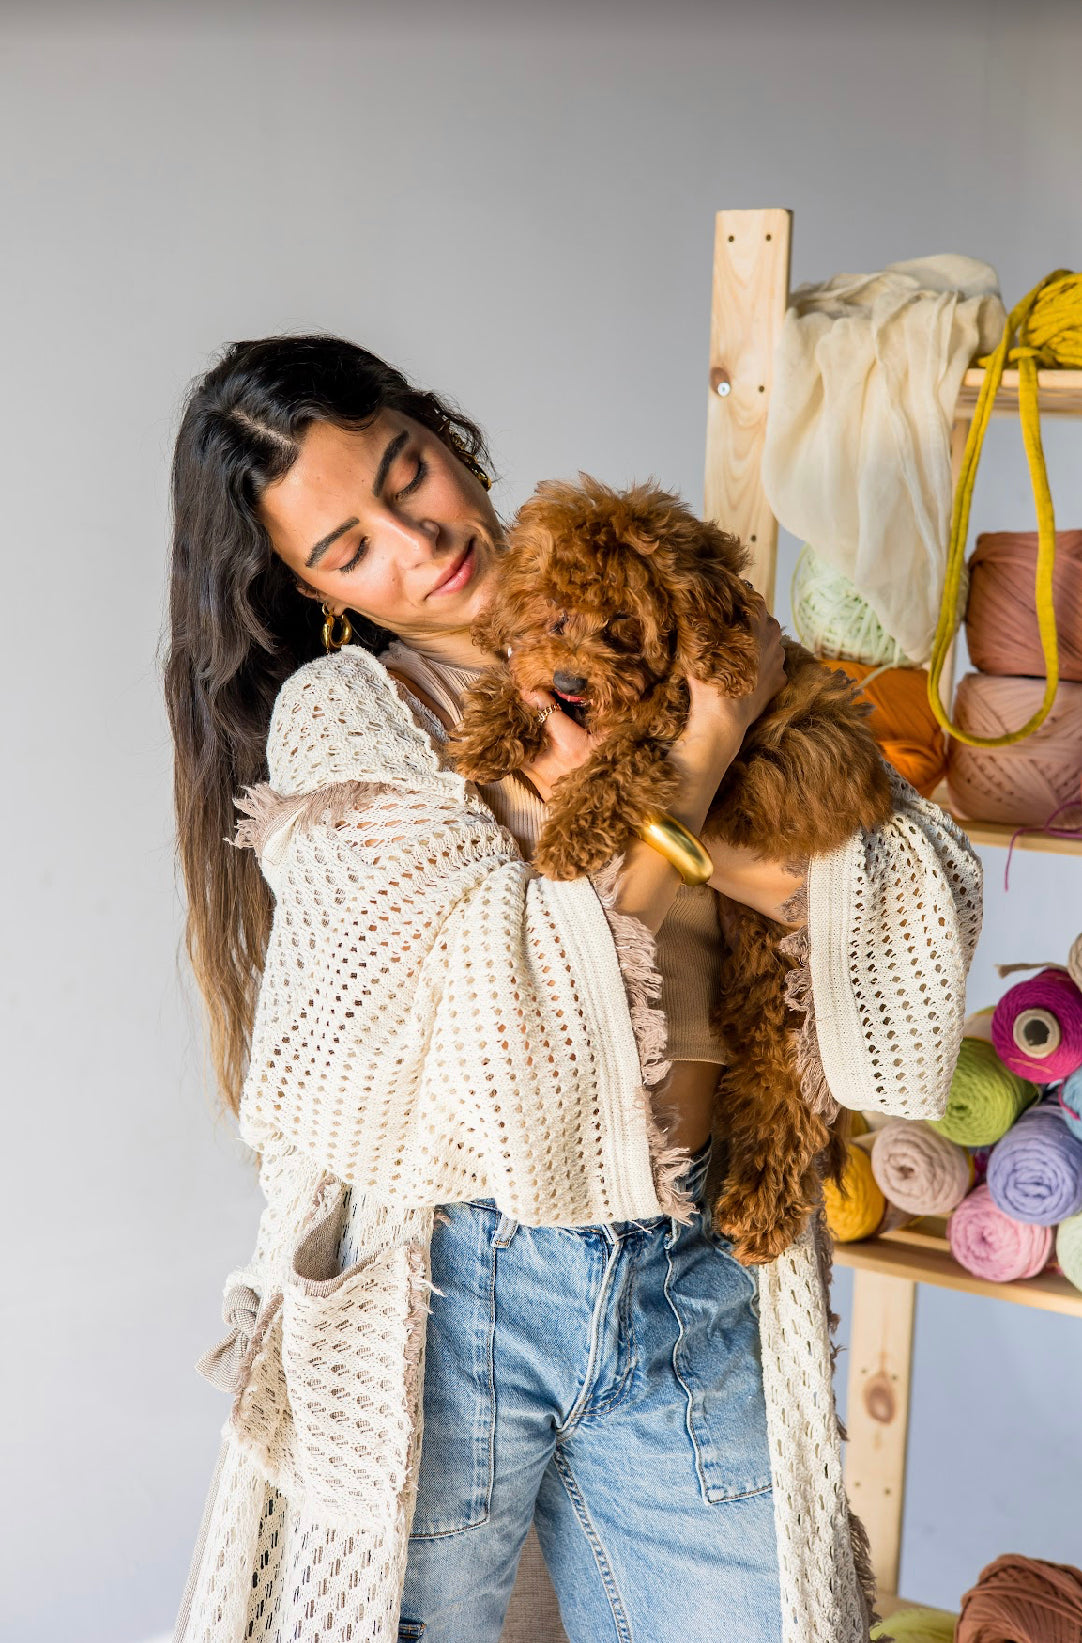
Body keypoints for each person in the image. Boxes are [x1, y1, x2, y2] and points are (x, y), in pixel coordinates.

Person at [167, 337, 982, 1643]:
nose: (415, 539)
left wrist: (643, 827)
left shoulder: (637, 598)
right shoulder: (351, 712)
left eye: (406, 472)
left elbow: (894, 856)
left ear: (444, 435)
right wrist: (708, 741)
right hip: (460, 1284)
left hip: (698, 1260)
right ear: (319, 596)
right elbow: (490, 988)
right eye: (349, 548)